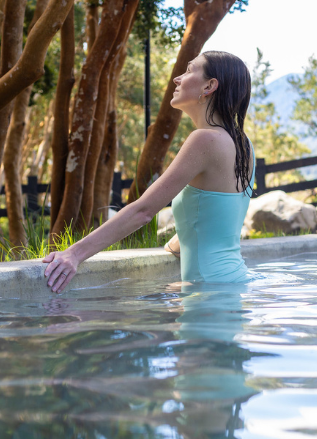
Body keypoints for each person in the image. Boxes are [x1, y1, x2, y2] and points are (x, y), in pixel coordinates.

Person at [43, 51, 255, 293]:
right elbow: (221, 214)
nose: (177, 79)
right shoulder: (243, 144)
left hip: (209, 291)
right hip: (233, 282)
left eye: (188, 70)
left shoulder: (204, 140)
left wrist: (73, 254)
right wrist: (180, 241)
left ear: (209, 86)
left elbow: (143, 211)